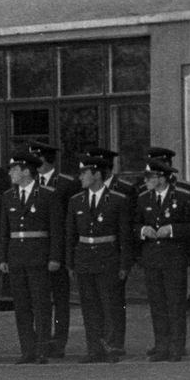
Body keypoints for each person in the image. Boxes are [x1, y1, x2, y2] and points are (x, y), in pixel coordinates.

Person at [65, 154, 131, 363]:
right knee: (89, 306)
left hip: (108, 258)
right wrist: (70, 262)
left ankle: (111, 347)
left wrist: (124, 264)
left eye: (84, 173)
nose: (80, 177)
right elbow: (70, 235)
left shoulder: (118, 200)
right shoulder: (76, 201)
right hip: (84, 259)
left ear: (96, 175)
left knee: (110, 305)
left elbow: (124, 235)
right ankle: (94, 348)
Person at [0, 152, 64, 364]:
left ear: (26, 171)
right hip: (16, 256)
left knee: (41, 304)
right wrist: (3, 258)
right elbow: (4, 231)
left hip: (39, 256)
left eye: (14, 169)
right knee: (22, 305)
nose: (10, 173)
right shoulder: (8, 196)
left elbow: (56, 229)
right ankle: (27, 350)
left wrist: (55, 257)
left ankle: (42, 349)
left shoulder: (47, 194)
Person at [135, 161, 190, 362]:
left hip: (174, 257)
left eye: (150, 177)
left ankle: (176, 346)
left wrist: (171, 230)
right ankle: (161, 346)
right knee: (157, 304)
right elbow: (134, 224)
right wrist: (143, 230)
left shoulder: (182, 196)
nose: (146, 181)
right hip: (152, 258)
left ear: (161, 178)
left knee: (175, 303)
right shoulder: (143, 198)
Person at [29, 142, 77, 358]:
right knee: (39, 298)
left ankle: (59, 341)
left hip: (59, 248)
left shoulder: (67, 183)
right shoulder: (31, 184)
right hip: (36, 250)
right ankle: (42, 339)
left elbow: (70, 219)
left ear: (44, 159)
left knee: (60, 298)